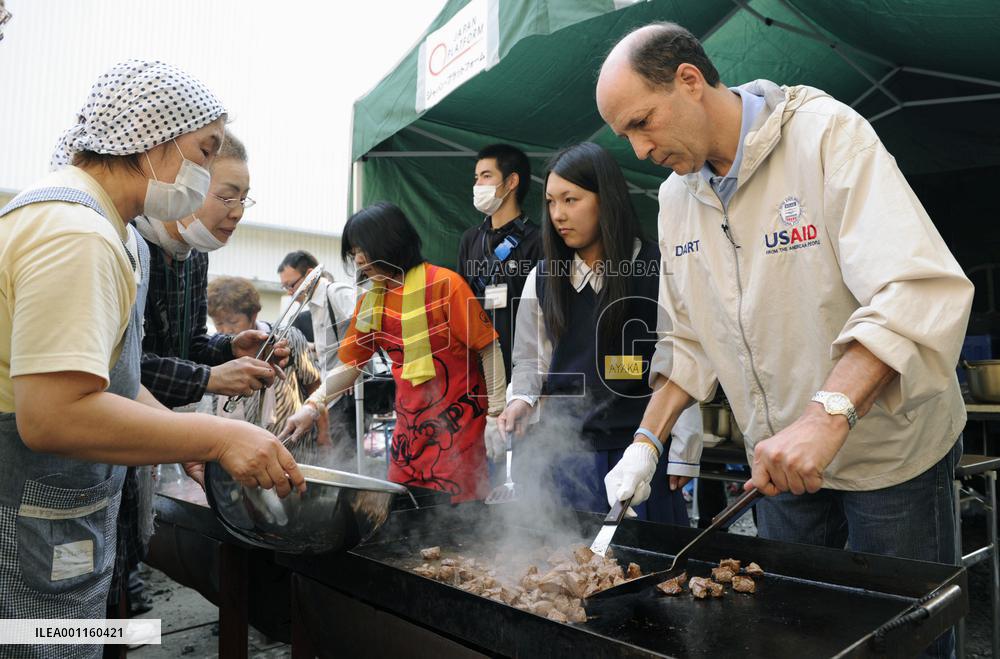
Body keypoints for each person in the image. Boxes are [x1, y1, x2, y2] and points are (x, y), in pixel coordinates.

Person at [596, 23, 971, 653]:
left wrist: (827, 418)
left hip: (890, 457)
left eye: (642, 123)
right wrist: (645, 442)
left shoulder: (826, 135)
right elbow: (687, 339)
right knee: (797, 635)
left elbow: (913, 288)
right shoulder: (675, 198)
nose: (638, 150)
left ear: (689, 80)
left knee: (908, 637)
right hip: (777, 468)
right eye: (625, 135)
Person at [0, 59, 303, 646]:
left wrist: (175, 435)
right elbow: (53, 413)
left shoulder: (84, 220)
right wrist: (217, 437)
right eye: (203, 149)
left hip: (52, 513)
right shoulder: (77, 234)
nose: (204, 170)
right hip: (26, 514)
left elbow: (110, 381)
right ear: (148, 143)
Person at [497, 142, 700, 522]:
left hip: (640, 453)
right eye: (551, 202)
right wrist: (521, 399)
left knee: (646, 572)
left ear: (605, 200)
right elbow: (529, 358)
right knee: (564, 571)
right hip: (564, 454)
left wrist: (684, 453)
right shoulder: (542, 278)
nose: (558, 215)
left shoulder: (658, 268)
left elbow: (683, 362)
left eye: (571, 200)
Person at [280, 202, 509, 501]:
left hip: (460, 429)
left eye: (363, 248)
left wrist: (496, 414)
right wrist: (312, 406)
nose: (359, 259)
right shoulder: (371, 302)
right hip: (409, 436)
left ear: (391, 240)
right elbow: (350, 365)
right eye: (353, 252)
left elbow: (488, 349)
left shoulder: (445, 285)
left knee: (458, 525)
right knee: (404, 513)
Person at [138, 130, 284, 411]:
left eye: (244, 199)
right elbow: (124, 368)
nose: (238, 212)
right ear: (186, 186)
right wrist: (210, 378)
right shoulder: (131, 245)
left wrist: (231, 348)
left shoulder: (195, 255)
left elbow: (192, 348)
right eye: (228, 198)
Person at [457, 144, 543, 383]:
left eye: (486, 176)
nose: (478, 186)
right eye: (476, 178)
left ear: (511, 181)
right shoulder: (470, 239)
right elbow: (461, 305)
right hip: (478, 369)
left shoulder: (539, 240)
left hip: (525, 370)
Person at [208, 276, 320, 435]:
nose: (226, 330)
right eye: (219, 323)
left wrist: (324, 434)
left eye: (233, 322)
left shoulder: (288, 337)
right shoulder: (215, 348)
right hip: (234, 441)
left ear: (253, 315)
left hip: (289, 439)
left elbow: (314, 384)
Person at [277, 250, 357, 449]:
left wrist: (353, 368)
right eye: (285, 287)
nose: (289, 292)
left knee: (345, 452)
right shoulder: (313, 305)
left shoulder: (335, 292)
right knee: (335, 451)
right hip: (330, 391)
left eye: (292, 285)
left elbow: (370, 327)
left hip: (347, 391)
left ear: (311, 274)